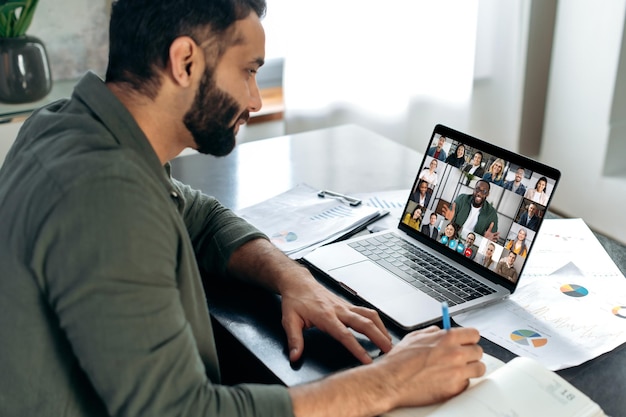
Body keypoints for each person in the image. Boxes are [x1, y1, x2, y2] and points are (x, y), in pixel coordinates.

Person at [0, 2, 486, 416]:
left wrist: (294, 279)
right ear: (185, 61)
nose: (254, 99)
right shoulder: (106, 194)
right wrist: (391, 381)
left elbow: (201, 217)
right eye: (248, 71)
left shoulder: (71, 125)